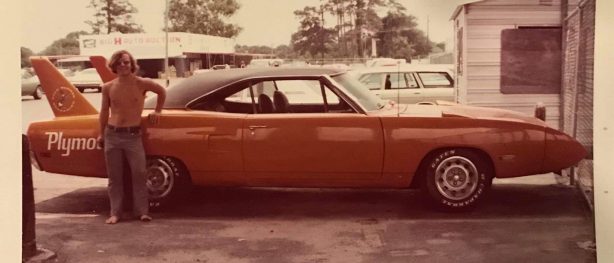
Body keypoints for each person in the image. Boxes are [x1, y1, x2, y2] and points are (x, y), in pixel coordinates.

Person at [97, 50, 166, 224]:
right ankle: (115, 213)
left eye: (126, 62)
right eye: (119, 63)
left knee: (140, 173)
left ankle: (142, 212)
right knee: (115, 177)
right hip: (112, 135)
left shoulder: (142, 83)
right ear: (114, 66)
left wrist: (158, 111)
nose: (123, 66)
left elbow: (162, 91)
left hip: (133, 136)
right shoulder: (108, 87)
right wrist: (100, 133)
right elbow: (104, 112)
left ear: (132, 65)